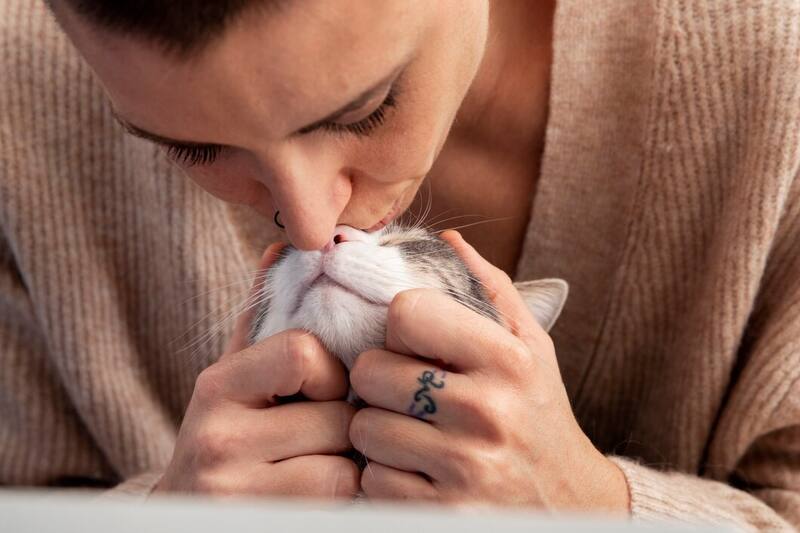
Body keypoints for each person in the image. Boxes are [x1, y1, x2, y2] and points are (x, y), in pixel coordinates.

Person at [0, 0, 798, 529]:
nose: (311, 226)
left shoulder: (773, 67)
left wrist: (593, 507)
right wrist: (160, 518)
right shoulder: (19, 85)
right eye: (194, 148)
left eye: (364, 107)